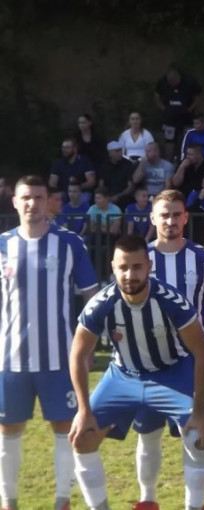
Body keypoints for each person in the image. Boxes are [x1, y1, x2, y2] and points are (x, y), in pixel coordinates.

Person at [69, 235, 204, 510]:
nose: (130, 274)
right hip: (124, 375)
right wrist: (83, 410)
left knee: (198, 438)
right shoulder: (101, 303)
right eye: (123, 267)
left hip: (172, 372)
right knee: (82, 438)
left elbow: (202, 351)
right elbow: (77, 354)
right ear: (113, 267)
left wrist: (201, 410)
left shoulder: (171, 301)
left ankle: (195, 506)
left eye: (137, 267)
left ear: (149, 266)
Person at [0, 176, 98, 510]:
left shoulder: (69, 243)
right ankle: (8, 502)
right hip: (10, 359)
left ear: (48, 202)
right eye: (25, 197)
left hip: (60, 358)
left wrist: (88, 348)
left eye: (38, 197)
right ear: (15, 202)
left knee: (65, 428)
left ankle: (62, 501)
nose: (32, 203)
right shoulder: (3, 245)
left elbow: (91, 297)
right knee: (8, 429)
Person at [126, 191, 204, 508]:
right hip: (148, 362)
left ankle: (195, 504)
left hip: (190, 364)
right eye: (164, 215)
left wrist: (188, 335)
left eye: (176, 214)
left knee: (195, 436)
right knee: (148, 435)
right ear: (153, 218)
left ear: (185, 217)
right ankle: (147, 500)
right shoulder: (139, 259)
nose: (170, 220)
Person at [154, 65, 202, 161]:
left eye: (174, 83)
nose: (172, 85)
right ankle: (169, 161)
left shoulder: (190, 81)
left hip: (187, 116)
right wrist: (163, 108)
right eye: (170, 83)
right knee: (169, 140)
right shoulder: (162, 81)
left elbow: (198, 97)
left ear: (178, 78)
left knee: (188, 138)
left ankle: (187, 159)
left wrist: (190, 109)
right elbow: (156, 95)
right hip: (170, 117)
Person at [100, 141, 136, 209]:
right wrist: (107, 197)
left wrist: (118, 196)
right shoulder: (104, 166)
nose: (120, 153)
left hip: (124, 198)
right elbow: (101, 185)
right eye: (117, 151)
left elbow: (131, 187)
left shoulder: (128, 164)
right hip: (108, 198)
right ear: (110, 153)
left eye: (120, 150)